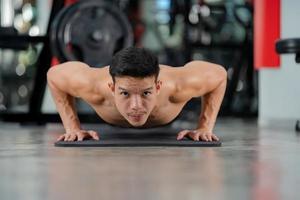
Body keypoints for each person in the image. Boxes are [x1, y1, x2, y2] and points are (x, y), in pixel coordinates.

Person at [47, 47, 227, 142]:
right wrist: (72, 127)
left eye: (146, 93)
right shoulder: (92, 86)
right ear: (111, 88)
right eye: (124, 93)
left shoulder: (178, 86)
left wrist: (204, 127)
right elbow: (53, 76)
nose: (136, 106)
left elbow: (219, 75)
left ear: (158, 87)